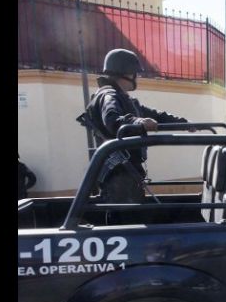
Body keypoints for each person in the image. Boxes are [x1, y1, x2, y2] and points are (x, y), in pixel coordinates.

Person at [79, 48, 189, 204]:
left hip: (126, 173)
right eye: (134, 73)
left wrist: (182, 123)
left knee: (133, 212)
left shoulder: (123, 98)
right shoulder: (108, 95)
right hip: (119, 175)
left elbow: (155, 115)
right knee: (127, 215)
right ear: (126, 73)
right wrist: (139, 123)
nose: (136, 77)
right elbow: (112, 120)